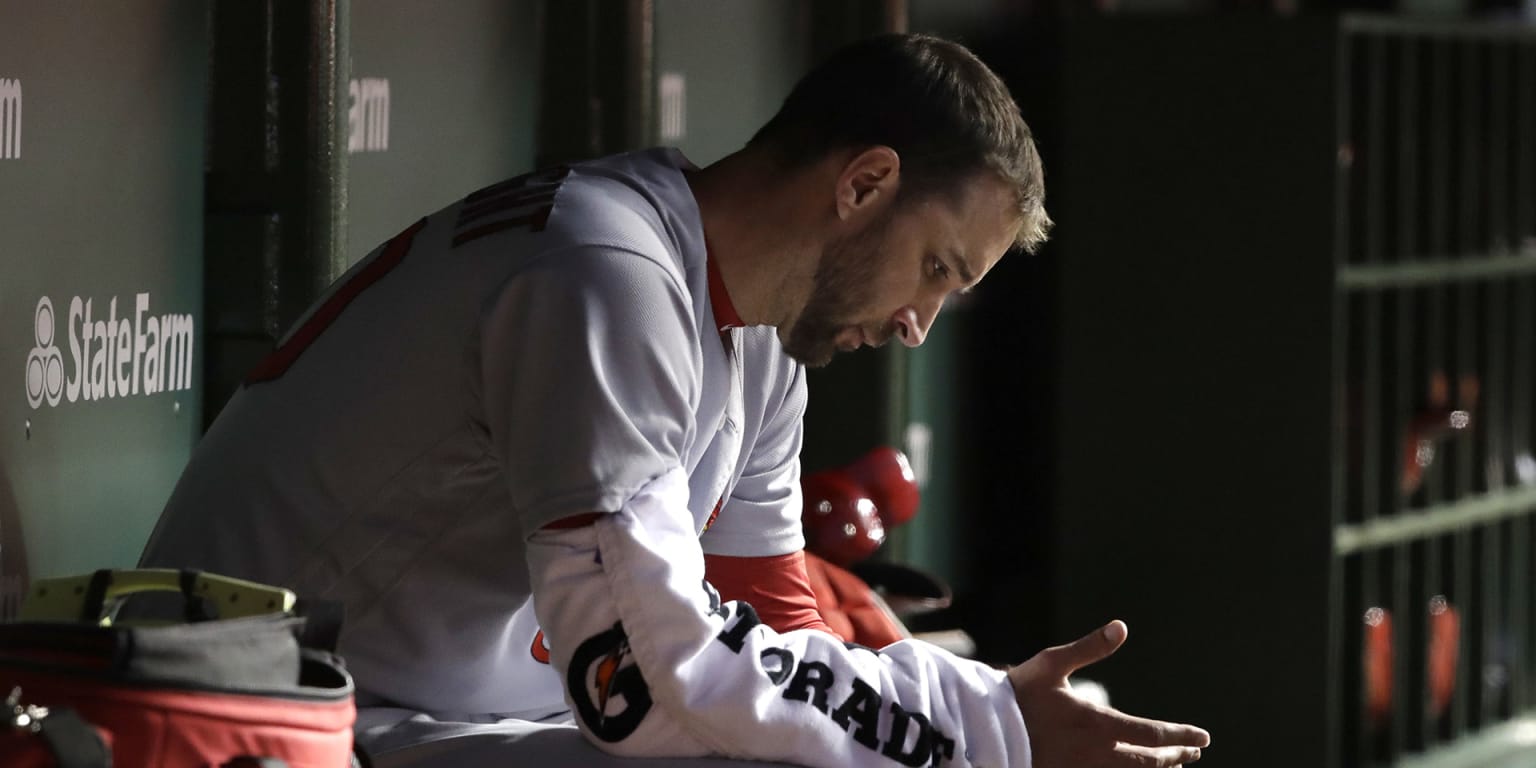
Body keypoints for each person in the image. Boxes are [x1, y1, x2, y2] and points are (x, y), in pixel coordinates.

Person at [141, 33, 1210, 767]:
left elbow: (776, 624)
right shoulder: (607, 269)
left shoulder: (764, 342)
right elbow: (645, 678)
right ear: (864, 184)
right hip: (278, 721)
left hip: (428, 717)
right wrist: (983, 725)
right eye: (935, 268)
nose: (917, 324)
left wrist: (966, 724)